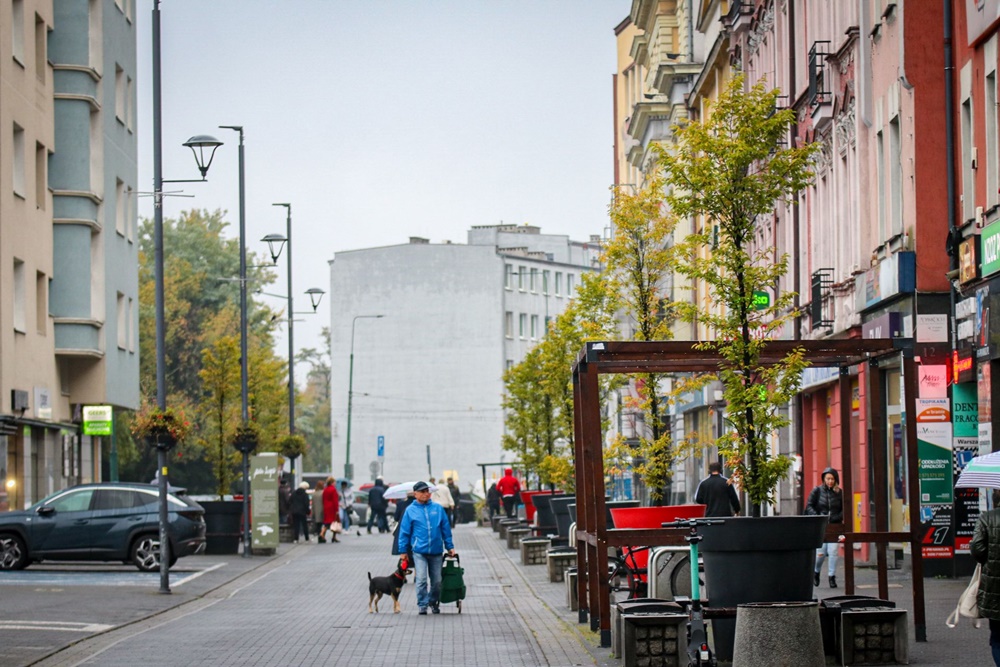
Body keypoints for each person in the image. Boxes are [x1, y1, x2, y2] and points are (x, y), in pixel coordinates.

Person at [397, 481, 456, 615]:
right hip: (419, 551)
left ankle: (433, 601)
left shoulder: (437, 508)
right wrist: (403, 552)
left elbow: (445, 529)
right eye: (422, 492)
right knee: (421, 579)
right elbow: (404, 532)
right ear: (415, 494)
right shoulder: (410, 511)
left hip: (436, 551)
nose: (425, 494)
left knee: (437, 582)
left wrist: (450, 546)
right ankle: (422, 604)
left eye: (427, 491)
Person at [972, 489, 1000, 666]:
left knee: (997, 636)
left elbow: (977, 548)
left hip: (994, 586)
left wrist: (989, 560)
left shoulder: (986, 518)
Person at [805, 466, 844, 588]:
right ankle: (816, 572)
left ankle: (831, 577)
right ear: (824, 479)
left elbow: (844, 509)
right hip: (820, 526)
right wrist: (818, 517)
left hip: (834, 526)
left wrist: (836, 517)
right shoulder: (817, 491)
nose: (830, 481)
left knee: (833, 552)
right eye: (828, 479)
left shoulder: (839, 493)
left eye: (832, 479)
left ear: (836, 479)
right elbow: (809, 506)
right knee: (820, 554)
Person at [321, 476, 340, 543]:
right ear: (332, 482)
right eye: (334, 482)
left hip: (326, 507)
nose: (335, 483)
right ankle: (331, 536)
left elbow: (323, 499)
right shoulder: (333, 489)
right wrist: (337, 509)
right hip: (332, 508)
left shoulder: (325, 489)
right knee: (335, 522)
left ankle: (323, 534)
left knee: (327, 522)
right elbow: (335, 500)